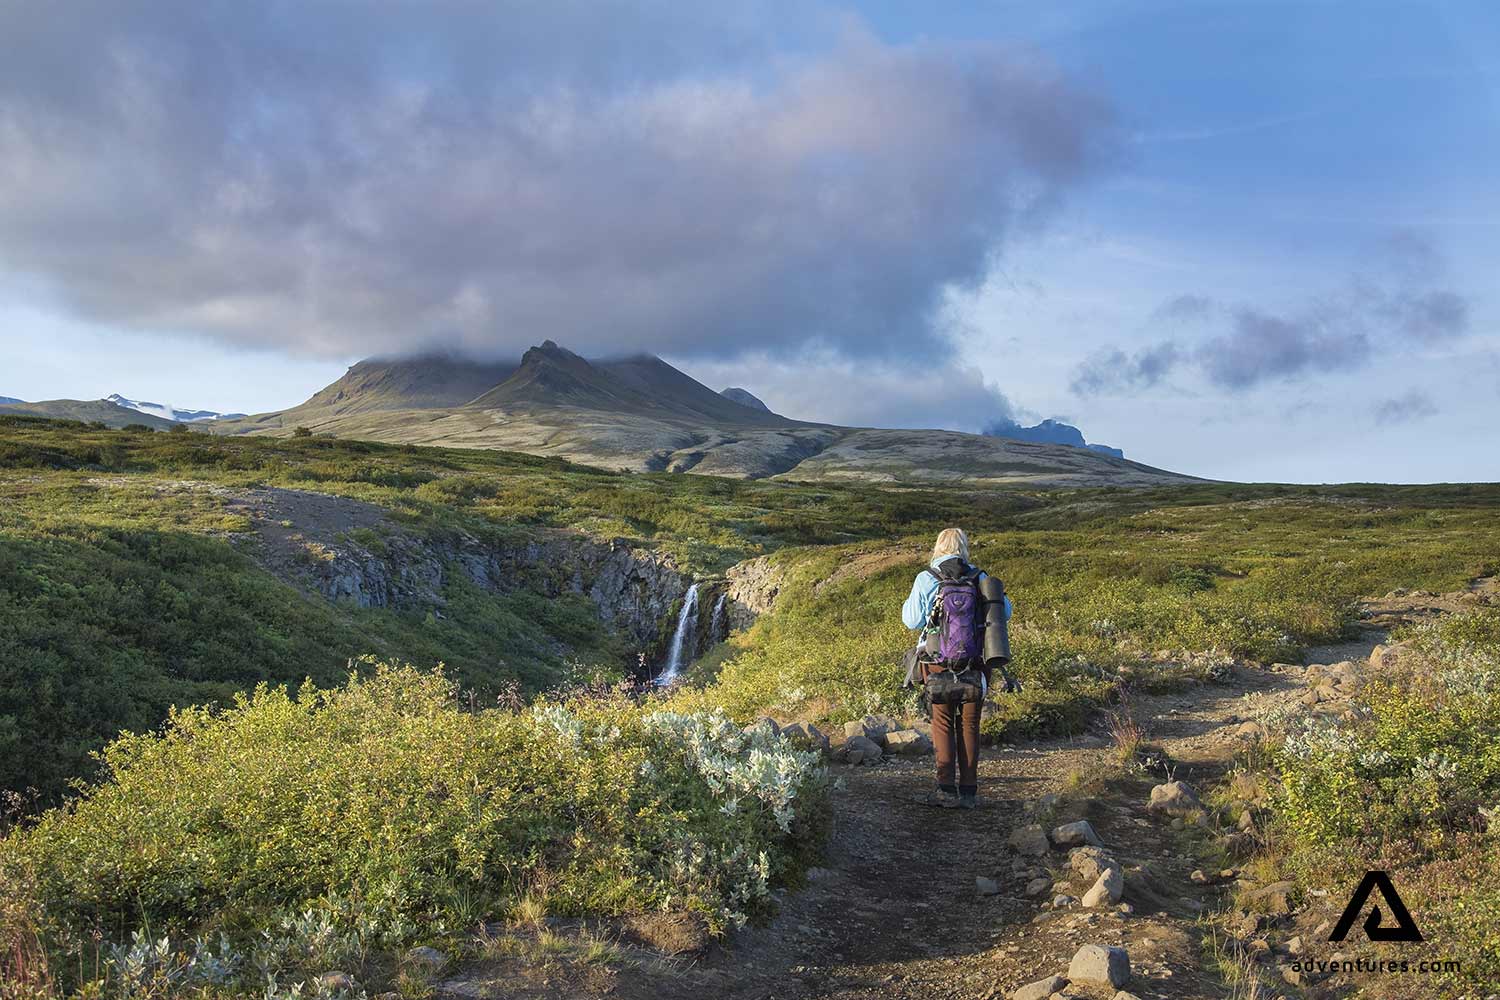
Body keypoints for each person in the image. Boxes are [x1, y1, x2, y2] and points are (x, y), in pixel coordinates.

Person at [901, 527, 1013, 810]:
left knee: (942, 723)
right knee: (970, 724)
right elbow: (1005, 613)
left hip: (937, 663)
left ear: (938, 547)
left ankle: (945, 790)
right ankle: (969, 792)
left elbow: (911, 620)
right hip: (975, 664)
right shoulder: (981, 577)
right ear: (965, 548)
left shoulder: (926, 578)